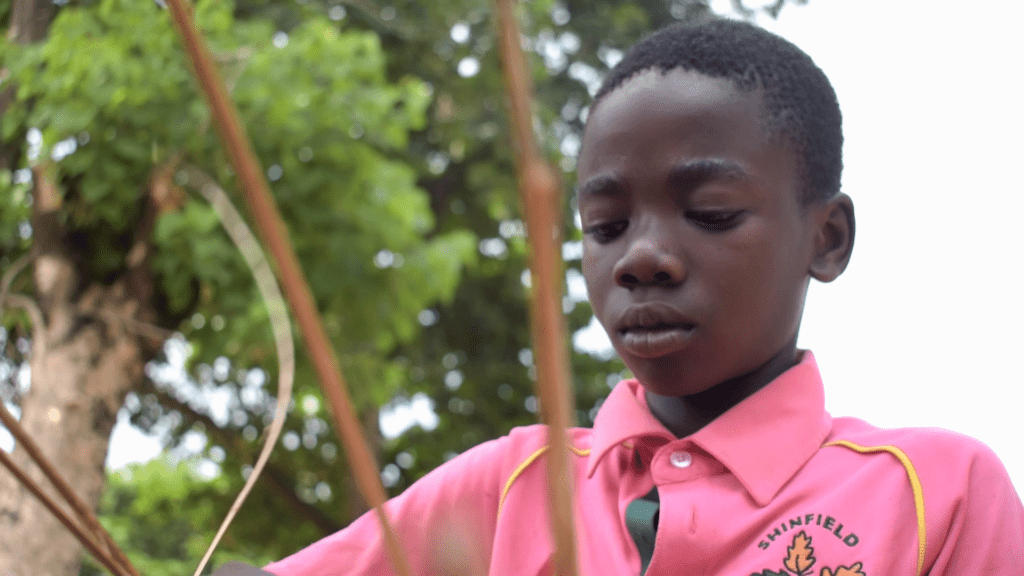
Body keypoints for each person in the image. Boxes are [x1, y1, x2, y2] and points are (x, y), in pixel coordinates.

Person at [260, 18, 1024, 576]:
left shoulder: (933, 494)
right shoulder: (509, 488)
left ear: (826, 239)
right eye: (606, 226)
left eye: (711, 213)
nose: (641, 258)